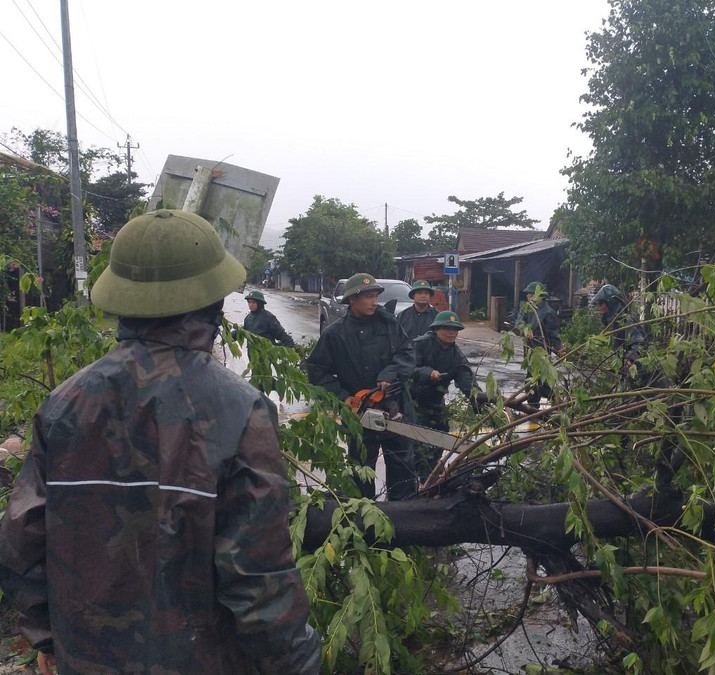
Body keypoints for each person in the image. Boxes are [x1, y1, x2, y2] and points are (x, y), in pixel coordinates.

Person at [0, 209, 321, 674]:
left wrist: (45, 635)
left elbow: (23, 535)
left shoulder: (64, 403)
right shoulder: (238, 409)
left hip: (87, 657)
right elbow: (257, 577)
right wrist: (298, 663)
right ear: (212, 301)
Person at [306, 272, 417, 500]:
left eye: (375, 296)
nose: (374, 302)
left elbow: (406, 352)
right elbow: (317, 369)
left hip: (394, 407)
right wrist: (343, 396)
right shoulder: (335, 334)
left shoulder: (389, 324)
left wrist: (389, 375)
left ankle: (403, 516)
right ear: (352, 300)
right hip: (358, 414)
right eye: (368, 297)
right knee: (361, 472)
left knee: (402, 468)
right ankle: (363, 519)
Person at [410, 310, 479, 481]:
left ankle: (431, 473)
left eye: (454, 330)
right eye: (447, 329)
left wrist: (477, 397)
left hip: (435, 401)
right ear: (436, 329)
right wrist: (427, 373)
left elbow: (465, 375)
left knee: (441, 431)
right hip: (413, 401)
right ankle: (418, 477)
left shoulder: (456, 353)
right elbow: (407, 368)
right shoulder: (420, 344)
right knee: (418, 439)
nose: (451, 333)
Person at [515, 281, 562, 406]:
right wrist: (525, 329)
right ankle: (553, 398)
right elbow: (519, 321)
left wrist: (559, 348)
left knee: (534, 379)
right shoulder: (527, 308)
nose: (527, 296)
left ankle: (534, 406)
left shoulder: (548, 312)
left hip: (541, 352)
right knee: (537, 379)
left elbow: (554, 334)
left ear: (538, 295)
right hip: (529, 351)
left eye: (530, 293)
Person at [590, 283, 647, 380]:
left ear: (610, 303)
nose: (599, 308)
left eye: (601, 304)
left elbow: (639, 343)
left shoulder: (625, 321)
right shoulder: (615, 323)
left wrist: (630, 358)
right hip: (630, 373)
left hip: (643, 373)